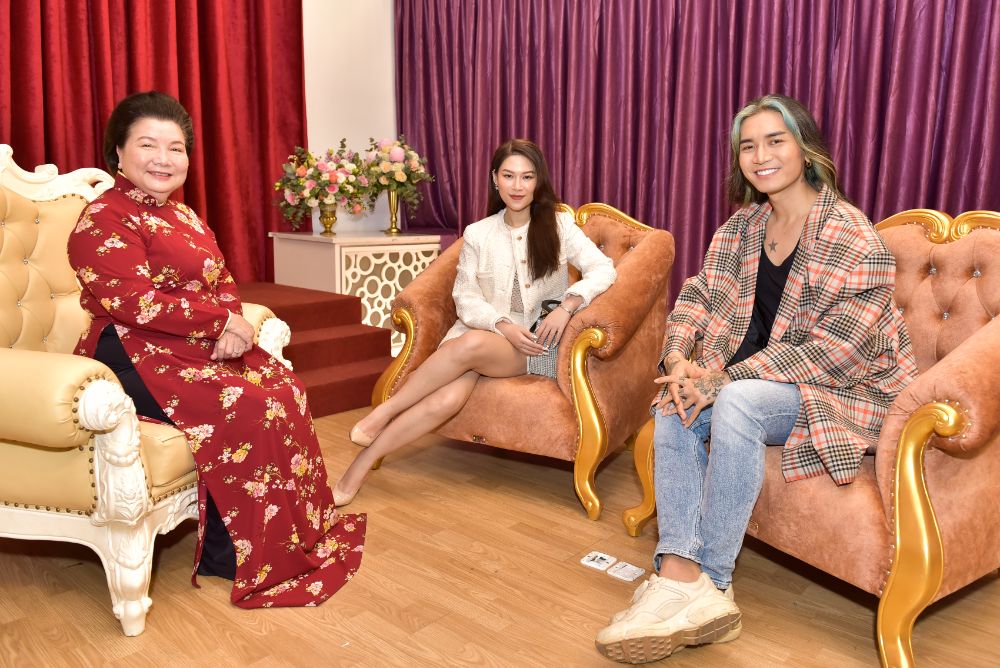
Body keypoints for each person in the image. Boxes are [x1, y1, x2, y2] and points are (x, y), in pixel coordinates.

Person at [595, 94, 917, 663]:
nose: (760, 155)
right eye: (748, 146)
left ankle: (713, 583)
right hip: (751, 381)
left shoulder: (853, 235)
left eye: (775, 141)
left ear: (806, 149)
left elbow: (834, 354)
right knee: (673, 401)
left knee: (737, 401)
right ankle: (678, 574)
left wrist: (719, 381)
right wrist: (679, 360)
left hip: (842, 392)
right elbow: (697, 296)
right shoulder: (742, 226)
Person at [68, 91, 365, 608]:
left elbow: (221, 277)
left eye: (176, 148)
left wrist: (232, 323)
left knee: (285, 388)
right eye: (148, 145)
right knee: (251, 404)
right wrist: (220, 322)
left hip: (190, 340)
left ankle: (291, 537)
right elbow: (134, 303)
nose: (163, 159)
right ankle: (235, 554)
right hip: (130, 350)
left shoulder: (183, 215)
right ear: (118, 151)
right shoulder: (103, 217)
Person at [332, 139, 616, 505]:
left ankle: (384, 411)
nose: (517, 186)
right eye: (509, 176)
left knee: (471, 344)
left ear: (538, 181)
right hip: (487, 334)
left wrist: (569, 304)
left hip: (536, 344)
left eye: (527, 177)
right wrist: (502, 324)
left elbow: (604, 269)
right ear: (495, 179)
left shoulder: (560, 226)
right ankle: (359, 467)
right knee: (446, 399)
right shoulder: (478, 233)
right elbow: (465, 297)